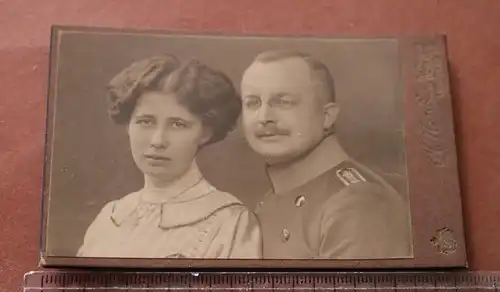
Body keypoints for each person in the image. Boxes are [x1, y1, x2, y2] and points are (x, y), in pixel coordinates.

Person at [77, 54, 262, 259]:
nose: (158, 140)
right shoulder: (109, 218)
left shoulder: (229, 221)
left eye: (178, 125)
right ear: (128, 125)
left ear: (205, 132)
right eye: (145, 122)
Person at [240, 50, 413, 260]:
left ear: (327, 116)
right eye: (252, 102)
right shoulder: (270, 199)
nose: (264, 117)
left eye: (283, 102)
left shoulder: (359, 203)